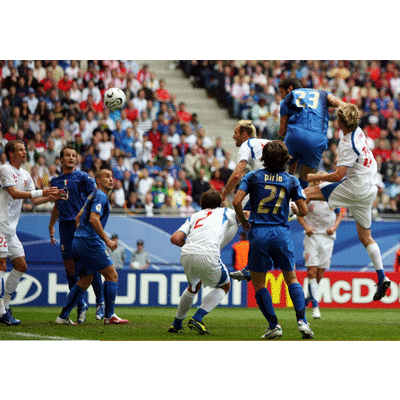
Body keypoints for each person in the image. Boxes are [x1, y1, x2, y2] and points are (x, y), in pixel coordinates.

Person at [306, 103, 391, 301]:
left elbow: (337, 176)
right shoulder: (358, 131)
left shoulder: (347, 144)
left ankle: (284, 216)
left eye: (337, 118)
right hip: (368, 188)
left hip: (355, 187)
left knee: (307, 193)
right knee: (365, 236)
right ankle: (382, 276)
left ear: (341, 122)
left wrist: (314, 176)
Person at [232, 140, 314, 339]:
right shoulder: (291, 180)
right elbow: (304, 210)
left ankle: (274, 325)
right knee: (291, 278)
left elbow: (236, 201)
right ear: (285, 159)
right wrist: (294, 209)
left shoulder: (253, 177)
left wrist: (244, 221)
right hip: (281, 233)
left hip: (259, 233)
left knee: (259, 283)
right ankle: (302, 321)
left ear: (264, 158)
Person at [0, 140, 63, 325]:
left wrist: (51, 197)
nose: (24, 152)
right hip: (0, 226)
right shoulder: (4, 169)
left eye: (24, 149)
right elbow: (14, 193)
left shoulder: (26, 174)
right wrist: (41, 191)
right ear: (11, 154)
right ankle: (2, 312)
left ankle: (5, 306)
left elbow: (33, 200)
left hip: (11, 230)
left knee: (21, 266)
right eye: (20, 149)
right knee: (1, 266)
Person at [56, 169, 129, 326]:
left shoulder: (92, 195)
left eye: (112, 176)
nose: (111, 179)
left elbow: (78, 217)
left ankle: (63, 317)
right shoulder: (101, 196)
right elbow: (94, 219)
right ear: (98, 180)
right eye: (107, 176)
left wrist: (81, 234)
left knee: (85, 281)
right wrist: (107, 240)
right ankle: (109, 316)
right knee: (112, 275)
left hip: (78, 241)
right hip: (90, 242)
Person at [168, 189, 243, 335]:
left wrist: (192, 246)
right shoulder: (224, 212)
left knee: (193, 287)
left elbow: (175, 238)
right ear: (220, 204)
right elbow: (245, 215)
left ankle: (177, 324)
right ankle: (198, 317)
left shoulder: (194, 216)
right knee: (225, 286)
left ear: (202, 204)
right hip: (208, 254)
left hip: (187, 254)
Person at [49, 146, 105, 323]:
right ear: (61, 159)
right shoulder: (55, 181)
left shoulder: (82, 177)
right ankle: (81, 305)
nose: (71, 158)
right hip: (65, 227)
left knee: (90, 265)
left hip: (81, 227)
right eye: (68, 155)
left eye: (74, 155)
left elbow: (95, 196)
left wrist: (83, 215)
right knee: (70, 270)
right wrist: (51, 224)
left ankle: (100, 302)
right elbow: (57, 205)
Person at [278, 77, 344, 189]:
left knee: (280, 170)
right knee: (305, 177)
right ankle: (299, 196)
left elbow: (282, 131)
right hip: (317, 139)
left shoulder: (288, 97)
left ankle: (283, 192)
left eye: (281, 92)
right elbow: (335, 101)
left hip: (295, 135)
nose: (281, 96)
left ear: (290, 88)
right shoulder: (322, 93)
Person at [296, 173, 345, 319]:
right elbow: (299, 213)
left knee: (320, 274)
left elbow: (340, 214)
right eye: (317, 180)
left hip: (328, 237)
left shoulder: (332, 196)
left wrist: (334, 228)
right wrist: (306, 226)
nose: (319, 182)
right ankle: (315, 306)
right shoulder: (309, 195)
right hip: (312, 236)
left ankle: (307, 299)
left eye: (321, 180)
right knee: (311, 272)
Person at [221, 120, 270, 204]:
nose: (233, 136)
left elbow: (236, 175)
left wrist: (223, 196)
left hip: (263, 184)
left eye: (235, 133)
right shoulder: (268, 142)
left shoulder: (247, 144)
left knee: (239, 204)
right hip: (280, 182)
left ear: (244, 134)